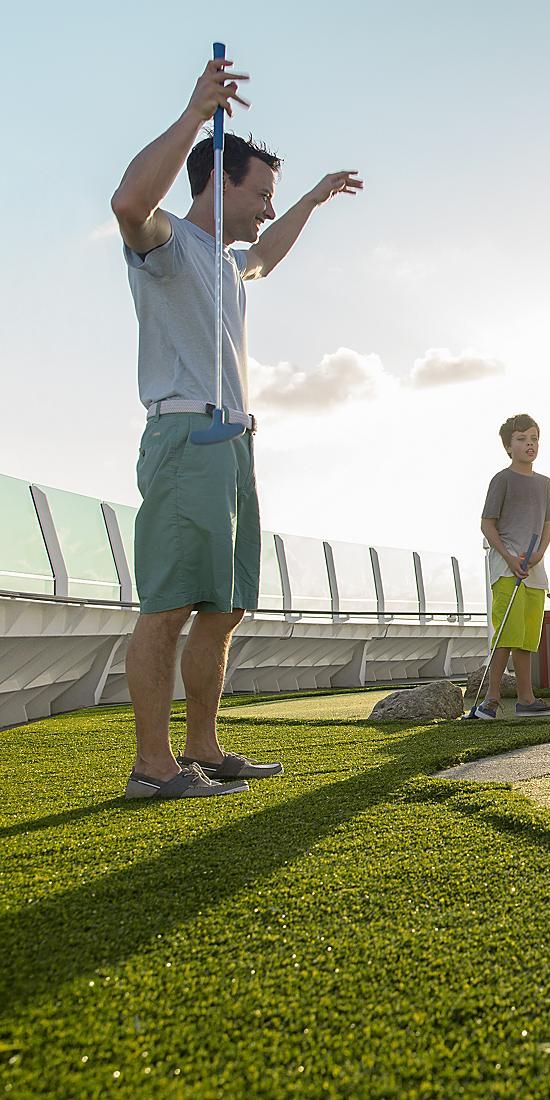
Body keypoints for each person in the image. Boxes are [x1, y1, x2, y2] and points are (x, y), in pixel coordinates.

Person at [112, 55, 362, 798]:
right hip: (185, 441)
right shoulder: (167, 246)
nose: (264, 207)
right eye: (259, 194)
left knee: (223, 609)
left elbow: (267, 258)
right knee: (169, 606)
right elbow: (129, 201)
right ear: (218, 182)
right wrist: (194, 111)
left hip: (234, 445)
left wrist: (311, 201)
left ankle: (204, 747)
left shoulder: (225, 262)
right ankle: (153, 769)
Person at [471, 414, 550, 719]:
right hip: (505, 565)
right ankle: (491, 699)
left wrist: (539, 553)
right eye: (522, 439)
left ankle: (526, 699)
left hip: (533, 567)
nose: (530, 444)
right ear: (508, 446)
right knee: (507, 634)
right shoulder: (501, 480)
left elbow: (549, 523)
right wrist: (510, 558)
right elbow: (487, 525)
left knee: (526, 637)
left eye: (534, 438)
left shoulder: (544, 483)